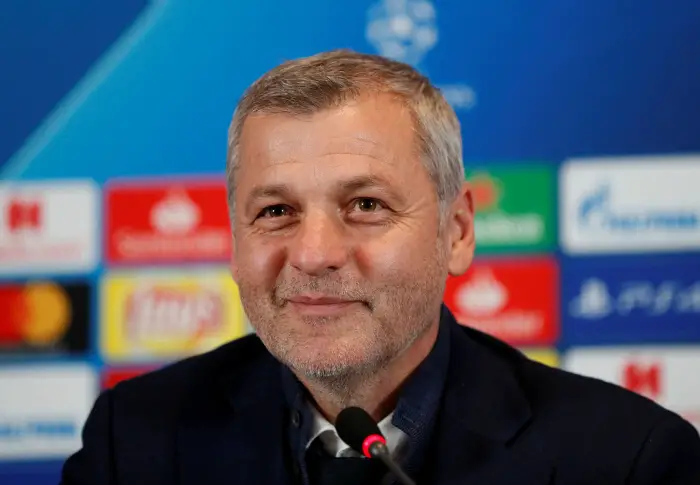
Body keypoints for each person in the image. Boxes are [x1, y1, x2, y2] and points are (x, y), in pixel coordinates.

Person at [60, 49, 700, 485]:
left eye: (365, 205)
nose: (313, 254)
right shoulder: (134, 442)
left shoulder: (626, 459)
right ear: (234, 240)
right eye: (276, 210)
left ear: (457, 232)